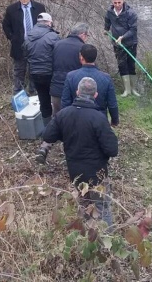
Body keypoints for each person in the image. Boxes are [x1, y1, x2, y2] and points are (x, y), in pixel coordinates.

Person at [41, 77, 119, 226]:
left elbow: (48, 136)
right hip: (98, 173)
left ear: (77, 92)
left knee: (83, 205)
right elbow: (112, 150)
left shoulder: (63, 114)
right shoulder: (99, 118)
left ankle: (86, 238)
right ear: (95, 95)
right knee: (103, 208)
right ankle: (107, 241)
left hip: (75, 172)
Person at [36, 44, 118, 164]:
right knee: (96, 141)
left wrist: (67, 118)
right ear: (95, 58)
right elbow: (112, 104)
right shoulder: (106, 78)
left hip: (76, 117)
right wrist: (115, 120)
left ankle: (48, 149)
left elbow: (65, 101)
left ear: (81, 57)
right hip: (98, 118)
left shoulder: (71, 76)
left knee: (75, 143)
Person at [2, 0, 46, 94]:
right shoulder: (12, 9)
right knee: (19, 71)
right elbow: (6, 25)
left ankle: (34, 92)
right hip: (19, 45)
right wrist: (12, 38)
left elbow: (46, 24)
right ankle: (18, 93)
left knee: (35, 70)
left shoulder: (40, 8)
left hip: (36, 45)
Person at [23, 12, 60, 122]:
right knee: (56, 101)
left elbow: (25, 55)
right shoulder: (53, 36)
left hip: (35, 74)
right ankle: (58, 128)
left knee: (43, 100)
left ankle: (47, 130)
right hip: (50, 73)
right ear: (49, 23)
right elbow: (59, 54)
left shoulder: (28, 37)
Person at [104, 0, 139, 97]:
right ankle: (126, 90)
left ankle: (133, 89)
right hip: (117, 44)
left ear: (123, 1)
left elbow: (133, 29)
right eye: (115, 2)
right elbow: (107, 21)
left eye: (119, 2)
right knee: (122, 65)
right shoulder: (109, 12)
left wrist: (123, 37)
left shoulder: (131, 13)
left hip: (131, 43)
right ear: (112, 2)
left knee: (131, 65)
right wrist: (106, 29)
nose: (117, 4)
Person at [49, 23, 89, 115]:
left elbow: (51, 64)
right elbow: (87, 69)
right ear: (83, 34)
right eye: (87, 36)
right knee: (74, 118)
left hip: (56, 87)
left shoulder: (57, 44)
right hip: (74, 89)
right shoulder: (82, 48)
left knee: (58, 117)